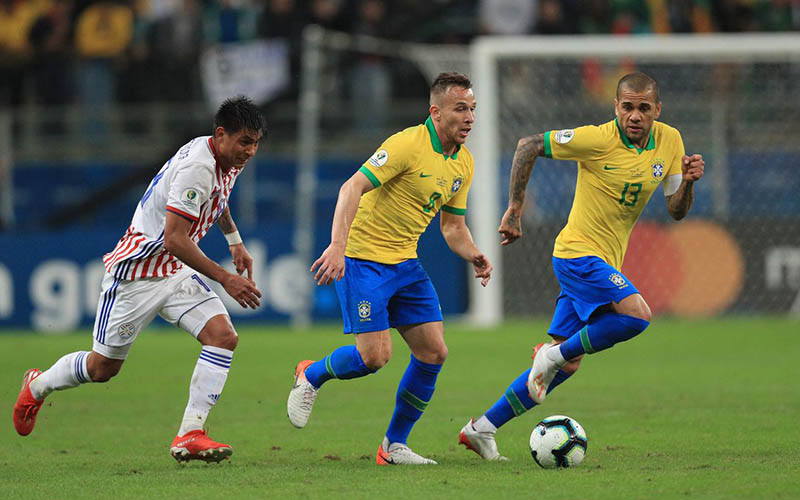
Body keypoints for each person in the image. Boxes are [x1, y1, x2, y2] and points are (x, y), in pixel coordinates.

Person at [459, 72, 705, 461]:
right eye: (627, 107)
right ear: (616, 107)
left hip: (603, 259)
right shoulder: (597, 139)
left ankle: (482, 429)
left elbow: (676, 211)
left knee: (566, 365)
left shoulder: (670, 140)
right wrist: (516, 208)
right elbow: (528, 146)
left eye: (644, 108)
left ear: (657, 109)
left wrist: (688, 182)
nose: (635, 116)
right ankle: (550, 356)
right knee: (637, 316)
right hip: (577, 254)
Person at [12, 96, 266, 464]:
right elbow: (175, 239)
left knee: (223, 337)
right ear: (222, 134)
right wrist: (226, 278)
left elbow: (218, 197)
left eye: (256, 143)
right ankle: (37, 385)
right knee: (102, 369)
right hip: (137, 275)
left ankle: (190, 433)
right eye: (245, 142)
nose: (251, 151)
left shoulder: (224, 158)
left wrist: (234, 241)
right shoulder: (198, 165)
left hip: (174, 272)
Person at [287, 72, 493, 465]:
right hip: (364, 261)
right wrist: (337, 246)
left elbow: (452, 227)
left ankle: (393, 445)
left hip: (406, 265)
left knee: (434, 352)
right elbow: (351, 188)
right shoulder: (407, 144)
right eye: (460, 109)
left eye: (473, 109)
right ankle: (311, 374)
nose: (469, 118)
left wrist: (473, 253)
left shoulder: (463, 163)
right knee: (374, 358)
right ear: (435, 112)